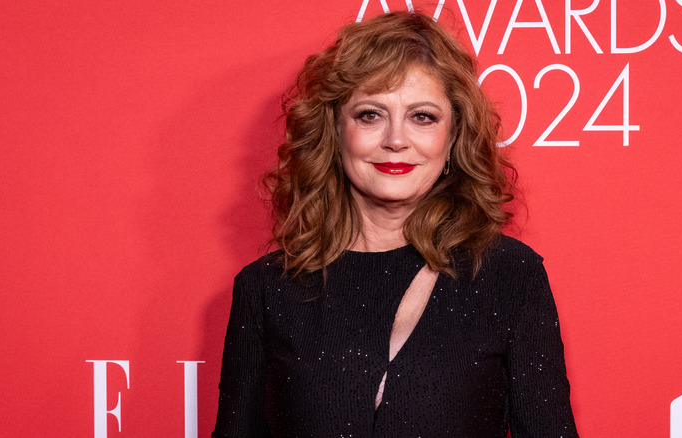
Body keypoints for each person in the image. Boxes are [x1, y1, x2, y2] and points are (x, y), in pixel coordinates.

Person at [212, 11, 579, 438]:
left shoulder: (510, 276)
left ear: (453, 137)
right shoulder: (266, 290)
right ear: (334, 130)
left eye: (422, 116)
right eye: (370, 115)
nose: (396, 140)